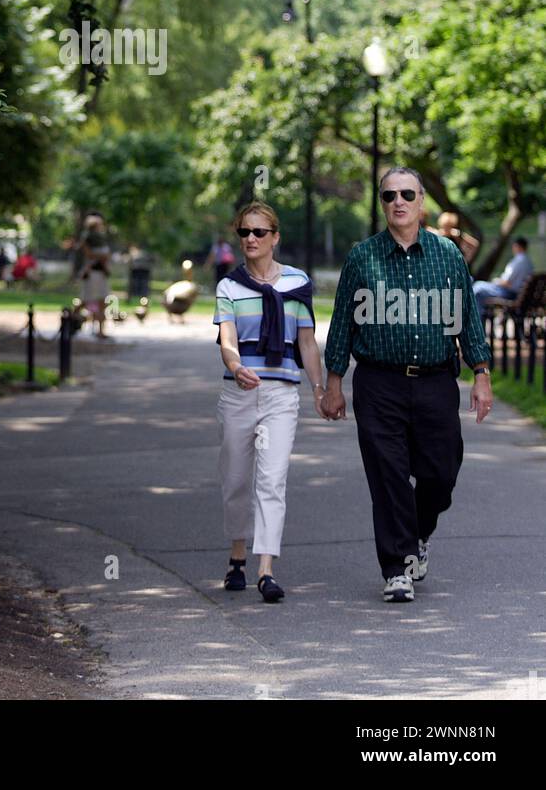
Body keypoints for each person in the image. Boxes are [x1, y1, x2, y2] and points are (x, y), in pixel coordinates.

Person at [322, 166, 493, 603]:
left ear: (422, 204)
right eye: (389, 195)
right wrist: (334, 381)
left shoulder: (447, 255)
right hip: (379, 383)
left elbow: (467, 318)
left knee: (440, 472)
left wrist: (481, 373)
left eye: (406, 194)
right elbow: (342, 321)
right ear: (381, 203)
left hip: (436, 381)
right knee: (389, 475)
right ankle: (396, 567)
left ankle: (418, 533)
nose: (398, 201)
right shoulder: (363, 257)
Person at [214, 200, 326, 603]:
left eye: (259, 232)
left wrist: (320, 388)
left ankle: (266, 569)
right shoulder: (229, 286)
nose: (251, 239)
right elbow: (227, 338)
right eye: (244, 232)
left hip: (281, 394)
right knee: (236, 480)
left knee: (272, 479)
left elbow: (307, 342)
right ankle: (237, 556)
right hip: (238, 393)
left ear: (275, 237)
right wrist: (235, 363)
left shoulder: (296, 283)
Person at [473, 237, 534, 315]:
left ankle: (477, 320)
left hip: (509, 293)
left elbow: (506, 282)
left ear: (517, 246)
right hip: (520, 294)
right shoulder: (529, 262)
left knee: (478, 287)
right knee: (479, 288)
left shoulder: (518, 261)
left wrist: (496, 281)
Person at [76, 213, 111, 338]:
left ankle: (101, 330)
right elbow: (89, 254)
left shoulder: (102, 241)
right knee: (86, 300)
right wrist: (101, 257)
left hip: (101, 273)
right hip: (92, 273)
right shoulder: (87, 239)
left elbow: (106, 256)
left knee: (102, 302)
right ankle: (71, 321)